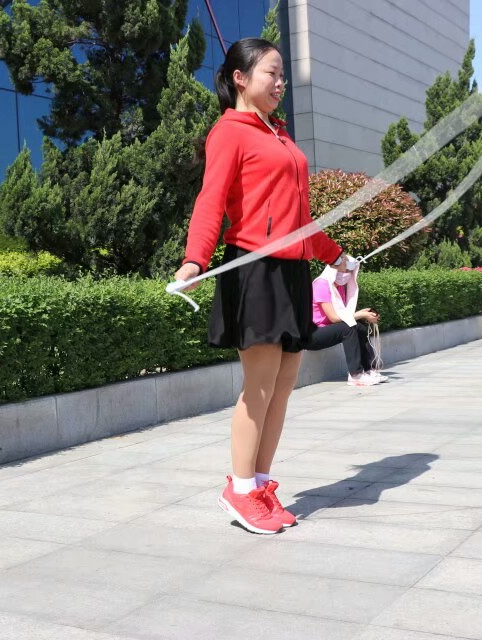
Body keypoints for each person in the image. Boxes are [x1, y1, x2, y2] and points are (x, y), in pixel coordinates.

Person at [173, 38, 353, 534]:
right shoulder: (229, 132)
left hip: (292, 272)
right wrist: (194, 260)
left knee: (284, 385)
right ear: (240, 77)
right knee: (260, 385)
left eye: (282, 75)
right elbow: (210, 201)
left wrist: (335, 255)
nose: (280, 83)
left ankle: (260, 484)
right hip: (255, 269)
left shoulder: (279, 136)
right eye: (271, 73)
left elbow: (299, 220)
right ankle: (239, 488)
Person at [307, 263, 386, 386]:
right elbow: (334, 318)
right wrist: (360, 314)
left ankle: (369, 370)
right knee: (348, 328)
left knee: (359, 327)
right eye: (346, 269)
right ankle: (356, 375)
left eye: (350, 271)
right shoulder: (321, 284)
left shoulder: (338, 287)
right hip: (311, 334)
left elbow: (342, 315)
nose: (348, 274)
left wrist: (364, 314)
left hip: (326, 330)